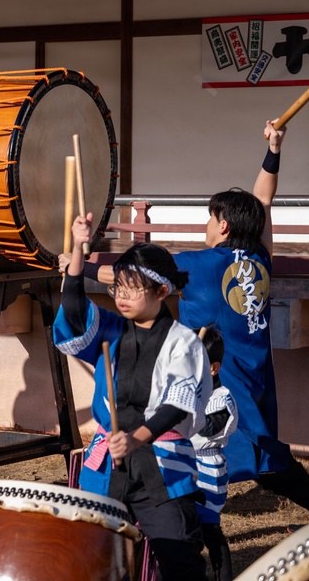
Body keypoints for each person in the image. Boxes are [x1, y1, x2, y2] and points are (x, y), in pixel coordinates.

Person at [70, 120, 309, 522]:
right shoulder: (262, 257)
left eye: (210, 219)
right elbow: (263, 199)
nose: (206, 226)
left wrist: (78, 269)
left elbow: (134, 277)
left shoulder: (198, 265)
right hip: (256, 374)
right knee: (256, 454)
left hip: (218, 381)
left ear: (223, 225)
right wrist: (274, 148)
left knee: (251, 455)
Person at [55, 218, 211, 581]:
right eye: (118, 288)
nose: (122, 296)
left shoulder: (182, 342)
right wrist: (79, 249)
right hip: (106, 463)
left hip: (162, 466)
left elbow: (176, 405)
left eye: (133, 288)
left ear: (161, 292)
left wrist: (136, 438)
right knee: (90, 559)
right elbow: (75, 311)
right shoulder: (110, 328)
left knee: (180, 560)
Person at [190, 327, 237, 581]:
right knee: (187, 527)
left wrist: (187, 405)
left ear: (212, 368)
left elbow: (208, 427)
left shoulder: (221, 398)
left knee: (209, 528)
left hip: (208, 469)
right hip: (185, 465)